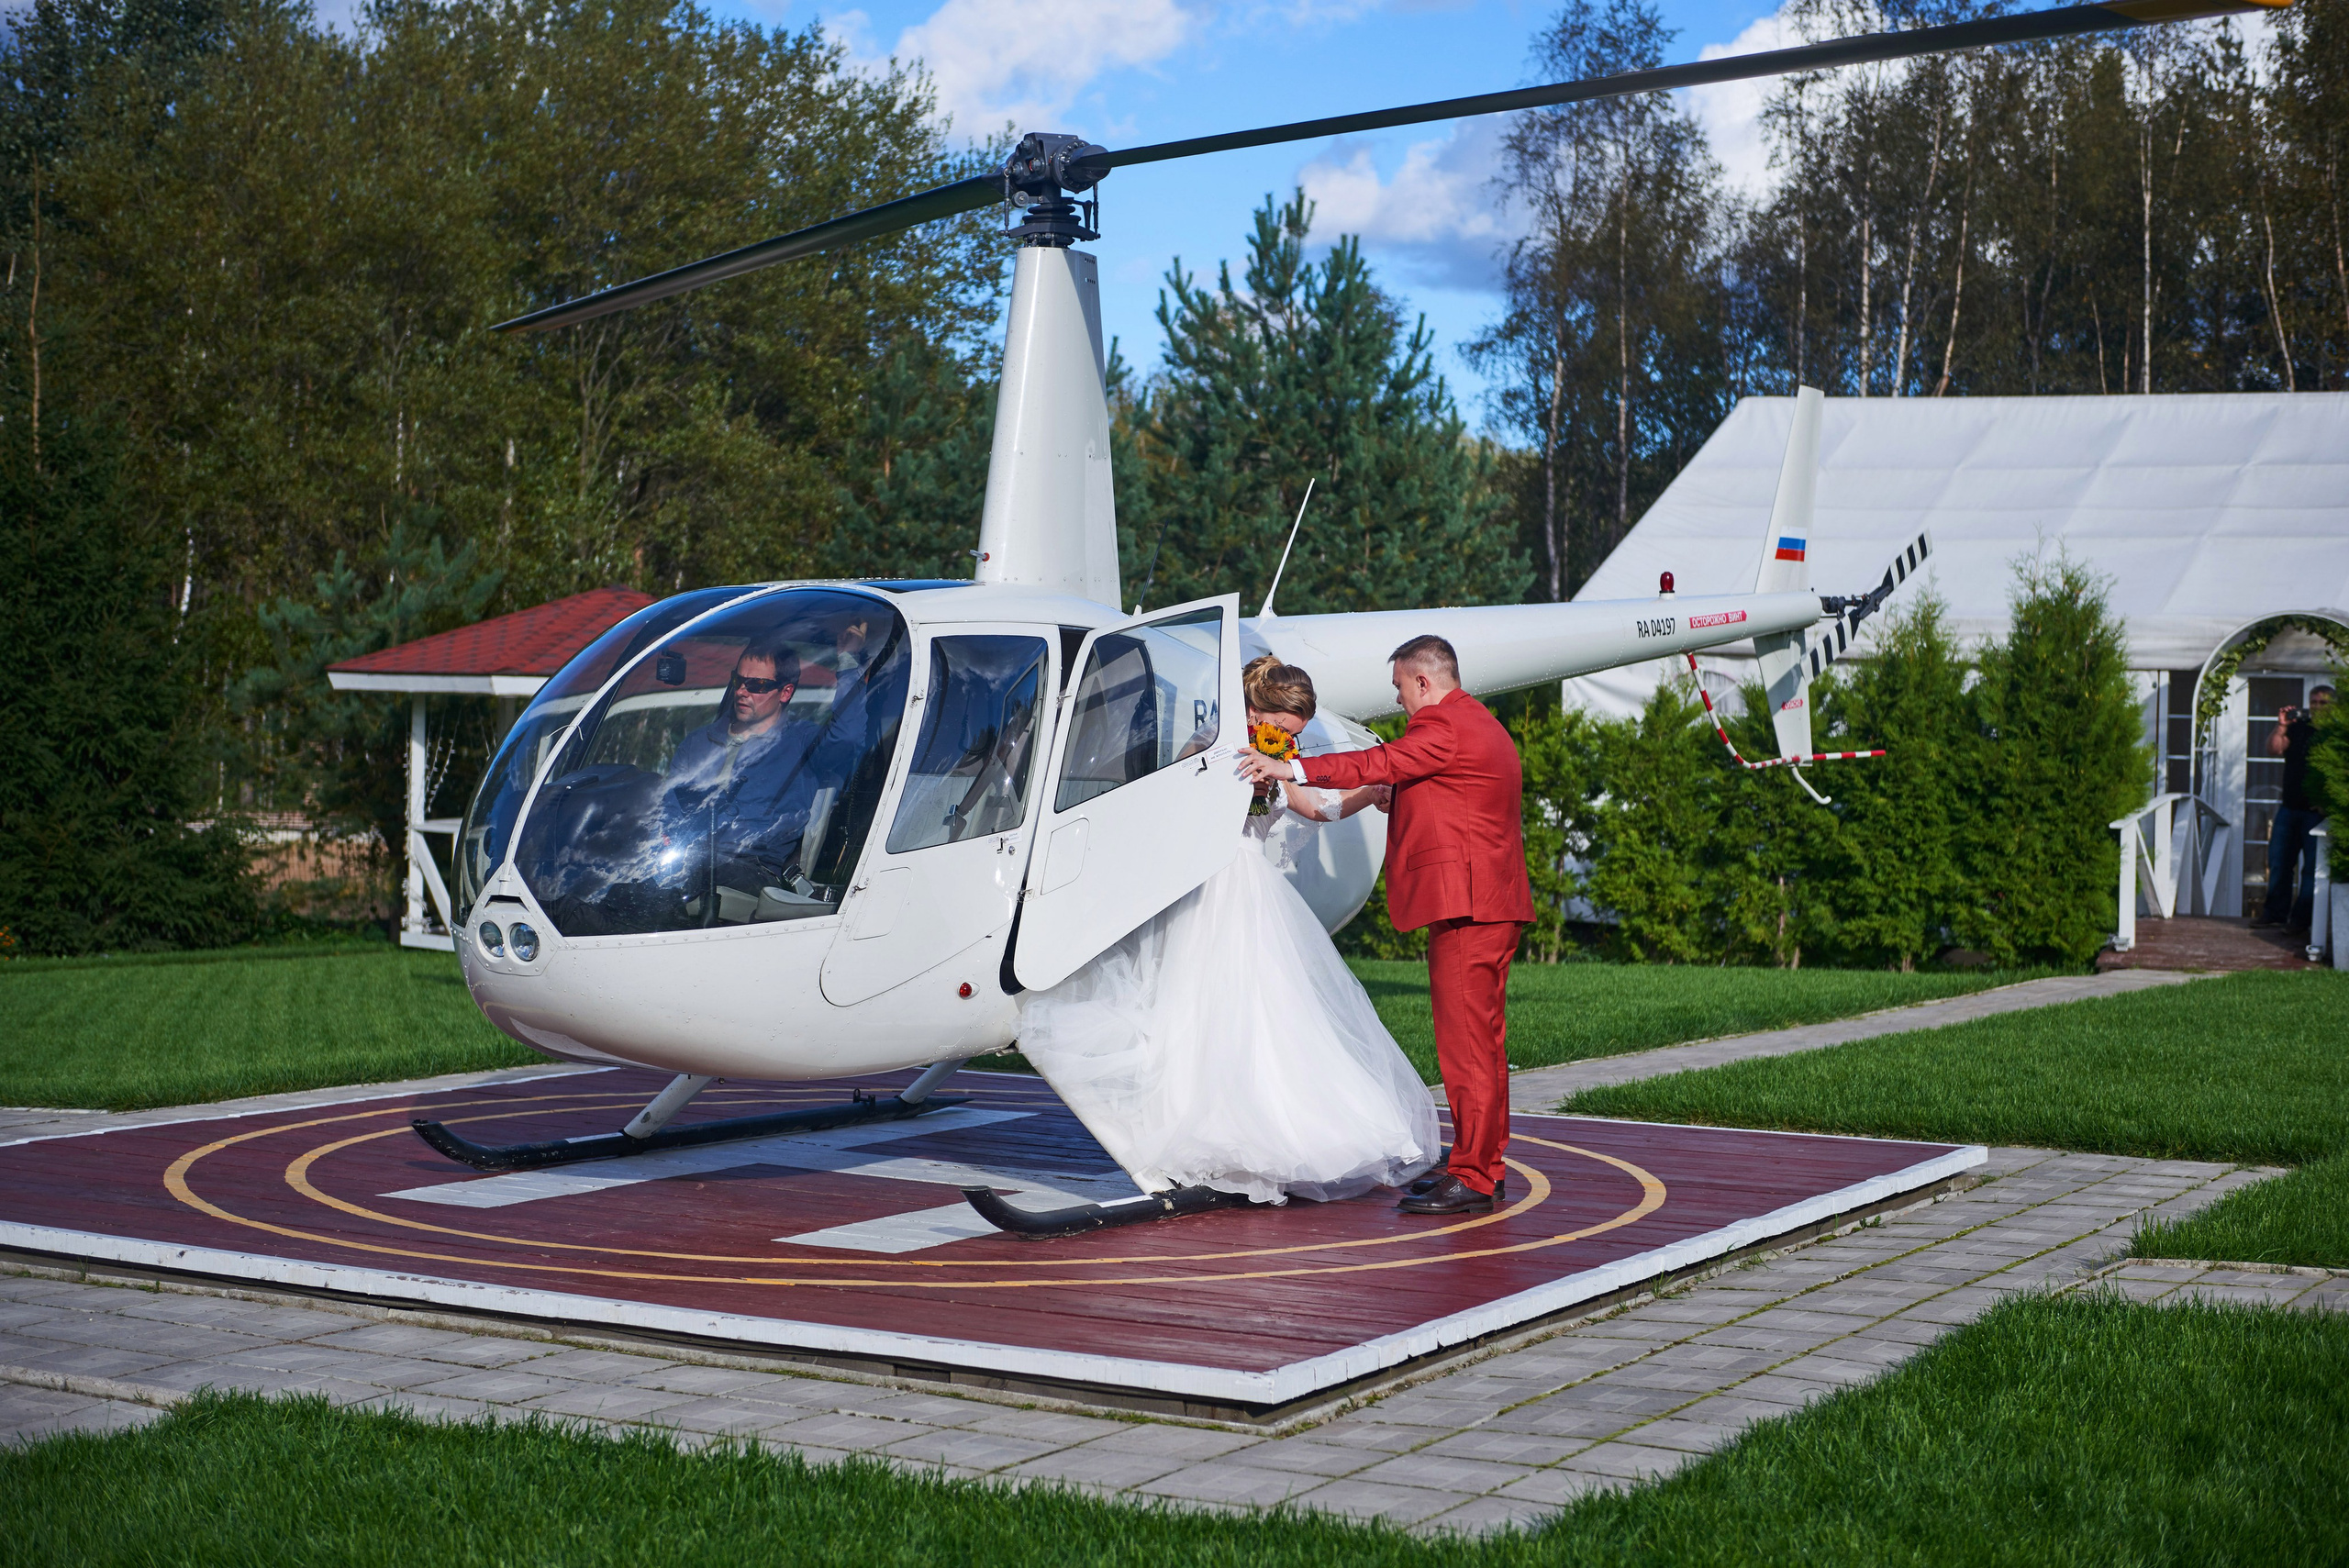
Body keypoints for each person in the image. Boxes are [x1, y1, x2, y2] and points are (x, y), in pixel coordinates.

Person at [1014, 656, 1438, 1206]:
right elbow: (1176, 808)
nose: (1288, 741)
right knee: (1196, 1006)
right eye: (1284, 731)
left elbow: (1313, 808)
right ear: (1257, 710)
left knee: (1263, 1010)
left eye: (1294, 736)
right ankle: (1195, 1129)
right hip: (1209, 881)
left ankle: (1269, 1132)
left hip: (1251, 890)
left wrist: (1368, 794)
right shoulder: (1211, 743)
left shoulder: (1281, 755)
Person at [1241, 635, 1532, 1217]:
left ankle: (1475, 1175)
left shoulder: (1444, 725)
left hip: (1469, 907)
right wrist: (1394, 799)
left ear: (1423, 681)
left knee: (1467, 1047)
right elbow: (1446, 797)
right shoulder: (1476, 723)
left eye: (1399, 688)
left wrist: (1289, 764)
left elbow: (1381, 760)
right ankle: (1481, 1164)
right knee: (1483, 1043)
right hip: (1487, 902)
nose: (1398, 701)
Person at [662, 638, 822, 892]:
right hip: (687, 860)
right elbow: (668, 805)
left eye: (756, 685)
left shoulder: (804, 743)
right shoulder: (697, 742)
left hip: (755, 869)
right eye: (738, 681)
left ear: (786, 692)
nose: (741, 692)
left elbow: (848, 739)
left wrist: (850, 661)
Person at [2255, 684, 2333, 931]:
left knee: (2311, 869)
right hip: (2289, 809)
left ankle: (2300, 921)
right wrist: (2281, 725)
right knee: (2279, 862)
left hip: (2316, 814)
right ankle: (2275, 913)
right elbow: (2274, 749)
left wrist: (2327, 802)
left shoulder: (2336, 733)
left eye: (2323, 703)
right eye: (2314, 702)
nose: (2318, 707)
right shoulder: (2298, 727)